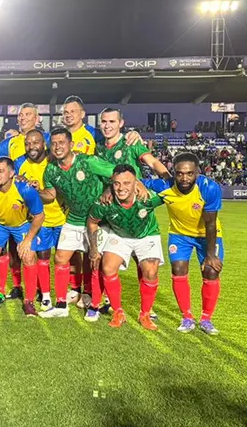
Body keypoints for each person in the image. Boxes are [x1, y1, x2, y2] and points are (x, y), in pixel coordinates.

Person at [37, 128, 117, 318]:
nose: (57, 147)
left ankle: (93, 303)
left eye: (61, 143)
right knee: (60, 258)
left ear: (71, 144)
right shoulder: (51, 170)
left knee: (94, 260)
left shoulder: (87, 162)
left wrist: (109, 190)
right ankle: (61, 305)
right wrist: (34, 192)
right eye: (54, 143)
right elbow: (50, 195)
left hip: (97, 220)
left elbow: (117, 173)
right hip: (74, 219)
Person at [143, 153, 223, 335]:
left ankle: (206, 319)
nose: (184, 178)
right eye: (179, 173)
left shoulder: (209, 187)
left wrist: (211, 255)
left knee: (211, 271)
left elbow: (210, 223)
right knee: (178, 269)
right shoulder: (165, 186)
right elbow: (133, 181)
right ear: (174, 173)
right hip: (180, 235)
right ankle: (187, 317)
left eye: (189, 173)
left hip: (207, 235)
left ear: (197, 172)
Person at [87, 164, 165, 329]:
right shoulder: (104, 202)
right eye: (117, 183)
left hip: (147, 235)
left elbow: (171, 188)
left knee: (151, 272)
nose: (121, 188)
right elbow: (92, 222)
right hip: (120, 235)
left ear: (136, 183)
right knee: (107, 267)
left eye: (127, 183)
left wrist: (143, 183)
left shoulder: (148, 197)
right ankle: (118, 312)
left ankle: (145, 314)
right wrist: (94, 249)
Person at [0, 157, 45, 316]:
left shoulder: (25, 189)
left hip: (22, 224)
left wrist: (28, 240)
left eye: (1, 171)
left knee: (29, 256)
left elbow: (39, 216)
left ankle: (29, 301)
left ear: (12, 173)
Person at [13, 130, 67, 310]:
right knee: (43, 256)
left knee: (63, 258)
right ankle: (45, 295)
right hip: (40, 220)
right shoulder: (20, 163)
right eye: (27, 144)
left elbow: (56, 192)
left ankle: (67, 294)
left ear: (44, 144)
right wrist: (19, 182)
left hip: (62, 217)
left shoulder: (54, 161)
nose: (31, 147)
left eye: (35, 142)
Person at [96, 108, 170, 179]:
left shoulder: (131, 141)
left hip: (133, 187)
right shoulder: (98, 146)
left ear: (121, 123)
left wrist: (170, 179)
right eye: (104, 121)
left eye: (112, 121)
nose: (107, 126)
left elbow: (153, 162)